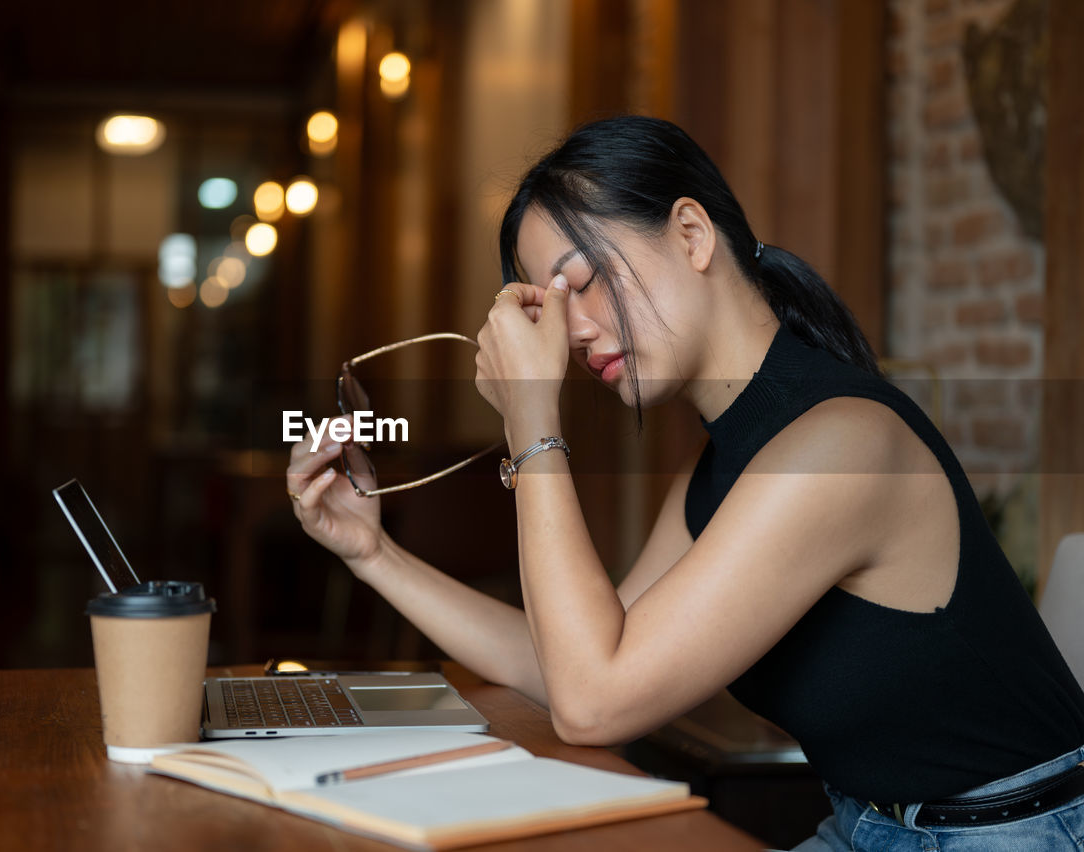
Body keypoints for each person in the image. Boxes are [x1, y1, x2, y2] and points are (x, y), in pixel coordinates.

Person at [284, 116, 1084, 851]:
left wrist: (532, 421)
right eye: (551, 307)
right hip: (868, 827)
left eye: (584, 279)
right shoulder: (724, 465)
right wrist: (372, 552)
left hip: (1009, 835)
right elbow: (570, 662)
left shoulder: (841, 444)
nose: (573, 332)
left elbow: (593, 703)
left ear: (692, 233)